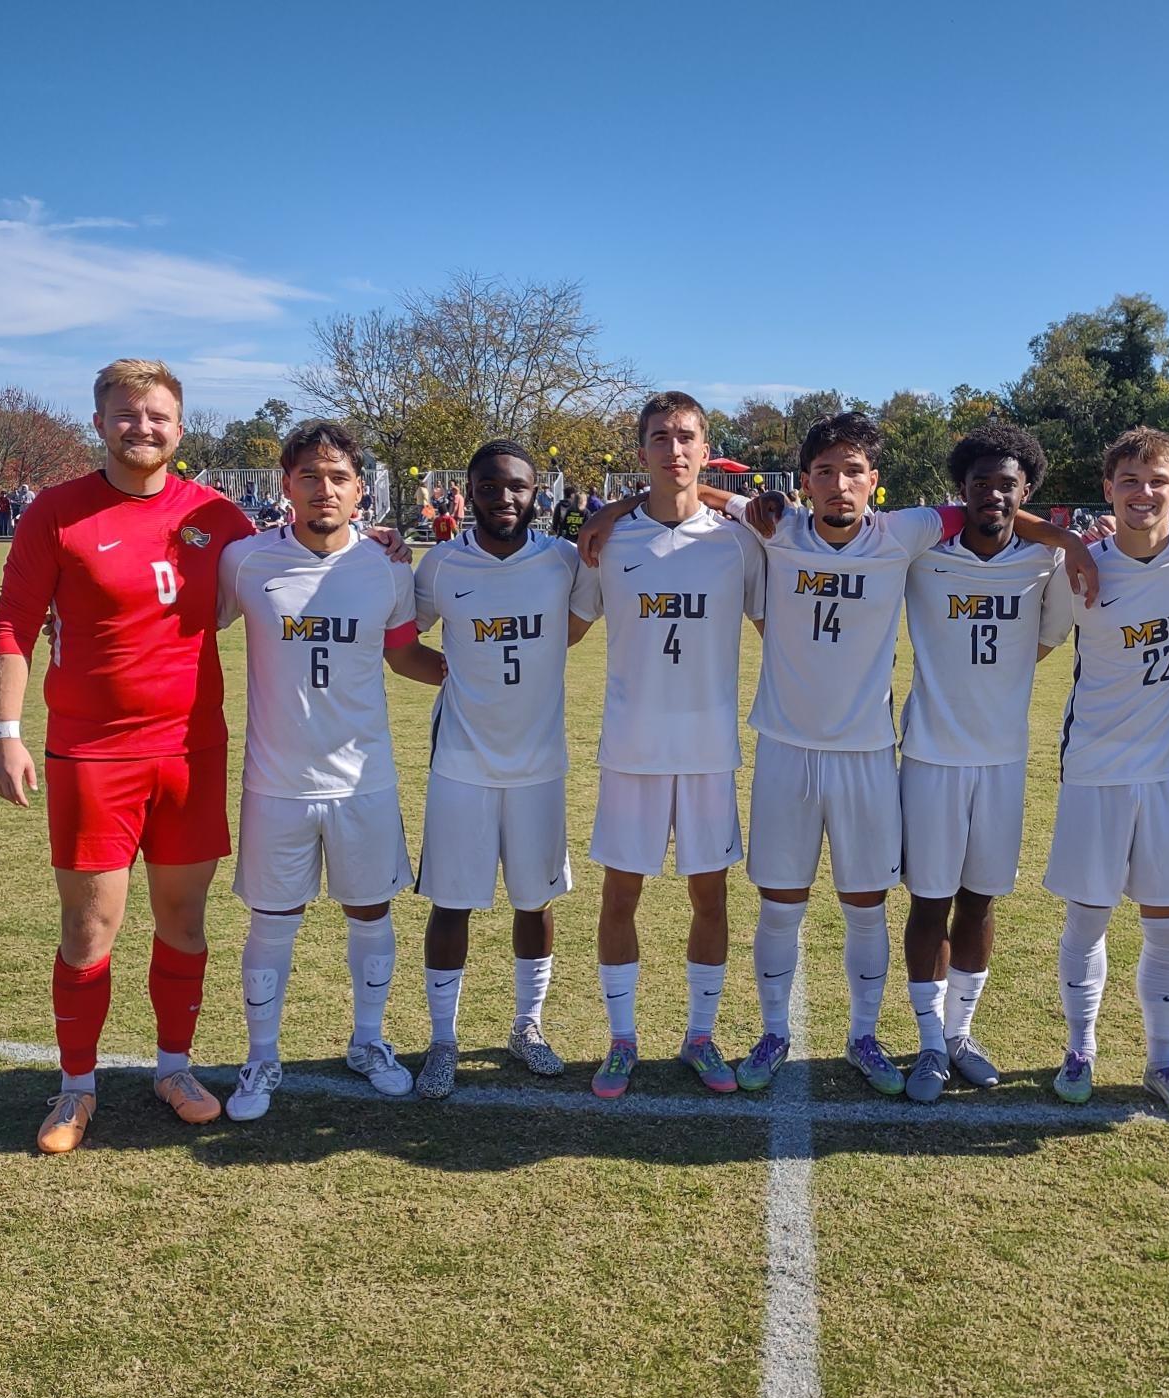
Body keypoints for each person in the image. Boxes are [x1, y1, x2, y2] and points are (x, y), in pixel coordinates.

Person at [685, 411, 1099, 1099]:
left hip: (870, 752)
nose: (839, 485)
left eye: (853, 472)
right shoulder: (777, 527)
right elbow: (695, 489)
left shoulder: (904, 532)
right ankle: (774, 1032)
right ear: (804, 482)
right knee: (780, 906)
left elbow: (989, 507)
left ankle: (865, 1036)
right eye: (824, 472)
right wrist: (624, 511)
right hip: (786, 748)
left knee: (867, 908)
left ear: (874, 483)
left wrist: (1067, 540)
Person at [0, 358, 259, 1154]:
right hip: (92, 756)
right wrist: (5, 735)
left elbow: (289, 570)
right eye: (127, 414)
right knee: (88, 927)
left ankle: (174, 1068)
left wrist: (370, 542)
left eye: (159, 416)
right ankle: (76, 1088)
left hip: (190, 751)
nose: (143, 427)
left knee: (182, 918)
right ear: (101, 421)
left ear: (180, 428)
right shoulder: (57, 513)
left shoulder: (219, 515)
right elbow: (12, 627)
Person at [217, 421, 441, 1122]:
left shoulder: (386, 567)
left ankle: (368, 1042)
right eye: (309, 476)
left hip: (363, 781)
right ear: (285, 485)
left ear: (360, 489)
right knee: (272, 920)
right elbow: (181, 626)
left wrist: (493, 686)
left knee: (370, 913)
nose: (324, 489)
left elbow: (405, 656)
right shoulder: (244, 562)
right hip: (276, 784)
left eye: (338, 477)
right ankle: (261, 1057)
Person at [1039, 427, 1169, 1122]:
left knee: (1168, 927)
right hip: (1096, 771)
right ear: (1108, 489)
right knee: (1087, 921)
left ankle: (1162, 1063)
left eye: (1157, 481)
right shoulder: (1078, 570)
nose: (1143, 493)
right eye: (1129, 480)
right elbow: (1032, 646)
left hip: (1168, 776)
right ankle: (1080, 1050)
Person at [565, 391, 767, 1099]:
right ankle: (622, 1040)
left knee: (710, 898)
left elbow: (780, 628)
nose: (674, 450)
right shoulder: (606, 543)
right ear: (642, 451)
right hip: (632, 750)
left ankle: (700, 1037)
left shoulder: (739, 541)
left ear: (705, 448)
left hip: (710, 751)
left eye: (686, 437)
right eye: (660, 438)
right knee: (621, 895)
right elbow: (564, 631)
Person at [407, 439, 591, 1097]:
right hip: (461, 762)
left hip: (539, 763)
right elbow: (403, 643)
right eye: (489, 487)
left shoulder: (564, 562)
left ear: (536, 491)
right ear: (470, 492)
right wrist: (452, 678)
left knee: (534, 899)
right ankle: (443, 1040)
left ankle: (527, 1027)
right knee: (451, 903)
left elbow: (574, 626)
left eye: (516, 486)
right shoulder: (441, 565)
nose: (504, 498)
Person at [894, 423, 1073, 1102]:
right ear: (960, 489)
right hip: (932, 757)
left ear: (1026, 491)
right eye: (980, 482)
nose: (993, 493)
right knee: (929, 901)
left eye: (1007, 483)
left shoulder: (1045, 562)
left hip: (1001, 761)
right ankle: (930, 1045)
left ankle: (961, 1033)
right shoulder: (924, 553)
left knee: (980, 900)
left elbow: (1046, 640)